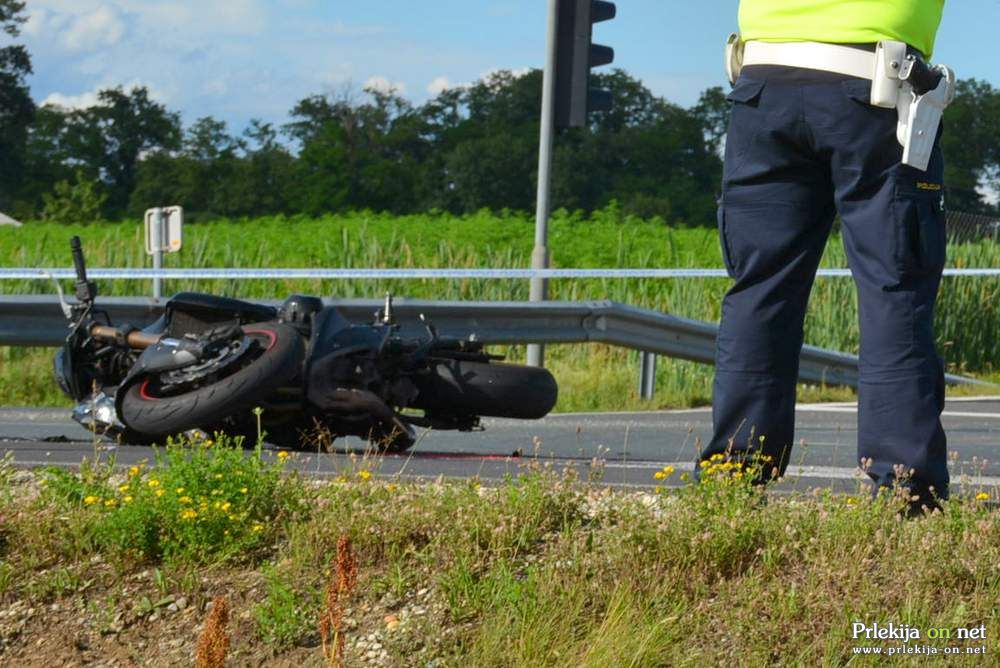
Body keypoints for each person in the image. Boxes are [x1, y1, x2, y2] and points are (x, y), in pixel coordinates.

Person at [697, 1, 952, 513]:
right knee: (893, 287)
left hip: (763, 89)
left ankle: (732, 477)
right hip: (878, 92)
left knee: (760, 288)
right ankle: (904, 492)